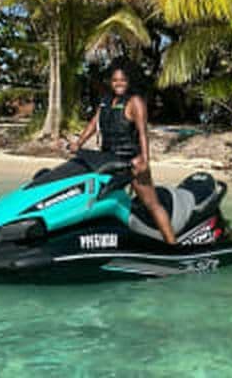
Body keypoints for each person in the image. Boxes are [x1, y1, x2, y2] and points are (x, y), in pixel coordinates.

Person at [70, 65, 177, 245]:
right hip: (108, 162)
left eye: (122, 80)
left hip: (131, 162)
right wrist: (78, 143)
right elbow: (93, 124)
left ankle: (172, 245)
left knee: (152, 204)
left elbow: (143, 132)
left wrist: (145, 160)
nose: (118, 83)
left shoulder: (135, 102)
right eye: (115, 80)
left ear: (128, 82)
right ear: (110, 82)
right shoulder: (105, 101)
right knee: (97, 198)